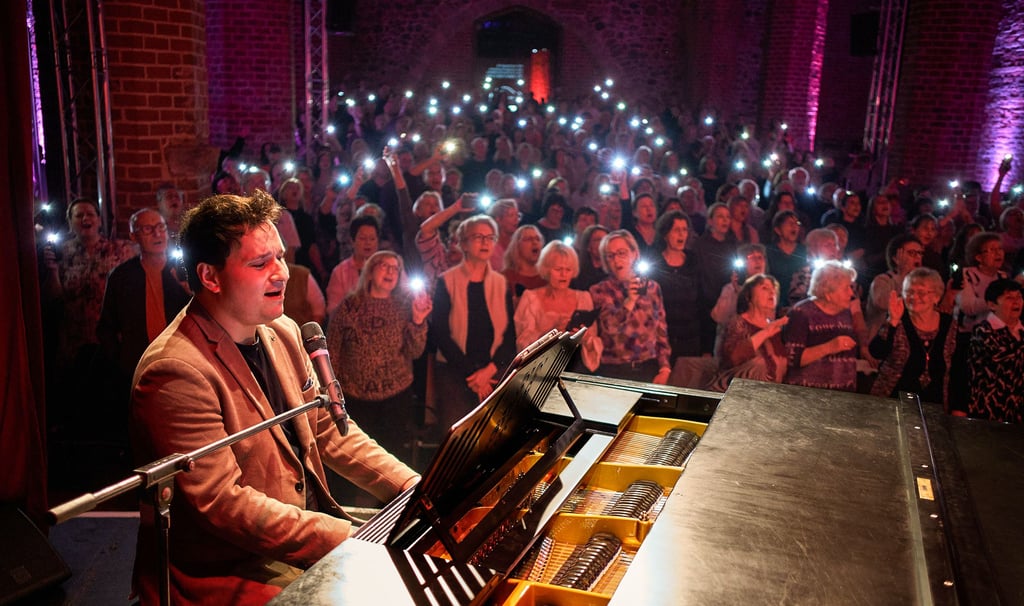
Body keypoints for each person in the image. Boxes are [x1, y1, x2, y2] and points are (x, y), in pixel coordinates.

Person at [130, 191, 418, 604]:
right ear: (210, 276)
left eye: (280, 257)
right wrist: (353, 540)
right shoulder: (176, 371)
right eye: (260, 263)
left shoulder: (281, 330)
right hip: (234, 567)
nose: (281, 272)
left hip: (301, 532)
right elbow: (225, 506)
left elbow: (330, 432)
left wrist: (416, 492)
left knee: (420, 549)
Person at [326, 251, 431, 462]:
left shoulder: (404, 307)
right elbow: (332, 349)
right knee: (357, 458)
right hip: (355, 397)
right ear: (371, 271)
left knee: (392, 458)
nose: (391, 271)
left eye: (396, 268)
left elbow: (415, 352)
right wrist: (332, 393)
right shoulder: (349, 306)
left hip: (395, 397)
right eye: (385, 266)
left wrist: (419, 321)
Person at [97, 209, 191, 412]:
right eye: (148, 229)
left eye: (161, 228)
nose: (157, 234)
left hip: (182, 361)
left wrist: (189, 290)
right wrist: (119, 360)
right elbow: (106, 327)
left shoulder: (184, 271)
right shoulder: (122, 276)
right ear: (134, 236)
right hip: (136, 364)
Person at [430, 215, 516, 432]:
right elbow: (441, 334)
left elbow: (509, 337)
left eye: (490, 237)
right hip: (455, 373)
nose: (486, 242)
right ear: (463, 243)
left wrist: (489, 371)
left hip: (493, 371)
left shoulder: (500, 283)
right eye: (478, 237)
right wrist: (474, 376)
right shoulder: (446, 281)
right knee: (458, 438)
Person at [589, 230, 672, 384]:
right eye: (610, 255)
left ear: (634, 254)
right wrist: (629, 300)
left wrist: (665, 368)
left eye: (622, 253)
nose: (617, 260)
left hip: (648, 367)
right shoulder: (600, 290)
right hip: (615, 370)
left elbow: (661, 331)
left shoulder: (652, 288)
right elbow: (610, 328)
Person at [869, 268, 956, 407]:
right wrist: (892, 321)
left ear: (936, 297)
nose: (914, 297)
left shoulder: (949, 325)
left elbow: (957, 370)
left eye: (921, 292)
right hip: (892, 401)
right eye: (909, 292)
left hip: (934, 405)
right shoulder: (899, 319)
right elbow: (877, 352)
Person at [513, 241, 600, 370]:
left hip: (577, 367)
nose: (563, 275)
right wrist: (552, 332)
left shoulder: (584, 297)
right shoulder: (530, 298)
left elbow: (593, 342)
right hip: (541, 369)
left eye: (568, 270)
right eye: (558, 269)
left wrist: (585, 338)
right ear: (547, 270)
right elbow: (522, 344)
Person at [783, 260, 859, 392]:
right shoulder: (801, 313)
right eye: (846, 288)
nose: (851, 293)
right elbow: (792, 359)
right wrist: (830, 346)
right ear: (828, 293)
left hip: (841, 396)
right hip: (809, 396)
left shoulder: (845, 312)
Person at [714, 274, 789, 389]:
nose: (772, 292)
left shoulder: (778, 328)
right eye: (764, 288)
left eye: (774, 289)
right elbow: (731, 359)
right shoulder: (738, 322)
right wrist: (765, 332)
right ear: (749, 296)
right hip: (739, 393)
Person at [649, 210, 705, 359]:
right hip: (663, 339)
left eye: (684, 230)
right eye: (676, 230)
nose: (681, 234)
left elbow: (702, 301)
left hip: (691, 338)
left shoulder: (693, 261)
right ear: (666, 233)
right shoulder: (655, 263)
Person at [967, 278, 1024, 423]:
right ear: (992, 304)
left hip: (1017, 410)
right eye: (1009, 298)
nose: (1016, 302)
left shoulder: (1021, 331)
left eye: (1019, 297)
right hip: (989, 408)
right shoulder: (983, 331)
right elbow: (998, 356)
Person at [325, 215, 381, 316]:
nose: (368, 243)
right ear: (352, 241)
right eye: (362, 238)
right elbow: (333, 309)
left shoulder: (390, 267)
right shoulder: (340, 272)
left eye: (372, 239)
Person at [502, 224, 546, 302]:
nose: (535, 242)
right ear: (517, 245)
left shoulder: (547, 277)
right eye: (529, 239)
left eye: (538, 239)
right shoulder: (505, 278)